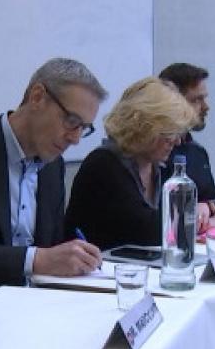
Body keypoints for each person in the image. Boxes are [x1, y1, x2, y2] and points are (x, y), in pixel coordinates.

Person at [0, 58, 106, 297]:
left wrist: (75, 256)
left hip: (34, 305)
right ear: (37, 97)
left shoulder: (53, 166)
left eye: (84, 128)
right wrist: (35, 260)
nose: (75, 139)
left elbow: (53, 245)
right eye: (71, 121)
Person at [65, 77, 203, 250]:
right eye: (169, 132)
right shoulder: (103, 164)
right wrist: (194, 215)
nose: (176, 142)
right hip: (94, 264)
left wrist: (207, 208)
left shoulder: (157, 164)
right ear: (144, 127)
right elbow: (148, 231)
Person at [158, 63, 215, 225]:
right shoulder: (157, 152)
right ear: (173, 103)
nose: (206, 107)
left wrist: (212, 207)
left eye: (204, 98)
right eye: (197, 100)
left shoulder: (196, 151)